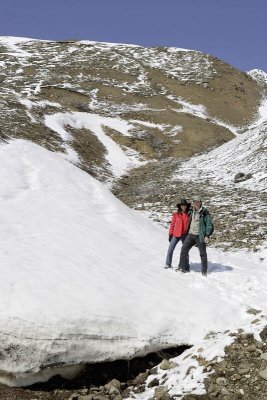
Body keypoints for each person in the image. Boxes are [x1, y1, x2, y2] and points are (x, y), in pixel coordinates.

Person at [177, 196, 213, 276]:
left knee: (203, 254)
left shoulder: (205, 212)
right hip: (190, 235)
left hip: (200, 236)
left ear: (200, 203)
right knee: (183, 250)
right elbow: (181, 211)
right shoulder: (191, 211)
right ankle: (182, 267)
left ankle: (204, 271)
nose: (196, 204)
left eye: (197, 202)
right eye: (194, 202)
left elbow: (209, 225)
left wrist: (207, 235)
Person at [165, 198, 191, 269]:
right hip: (176, 234)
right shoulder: (176, 215)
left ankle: (186, 266)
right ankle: (168, 264)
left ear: (186, 206)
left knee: (185, 251)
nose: (183, 206)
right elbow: (172, 225)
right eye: (182, 205)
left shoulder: (189, 214)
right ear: (180, 206)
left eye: (185, 205)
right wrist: (170, 234)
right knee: (170, 249)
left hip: (185, 235)